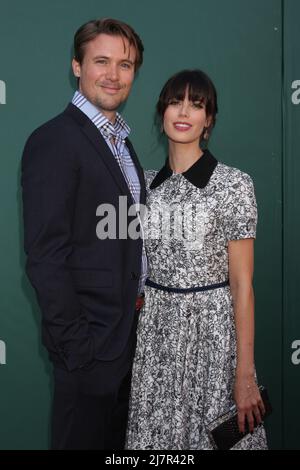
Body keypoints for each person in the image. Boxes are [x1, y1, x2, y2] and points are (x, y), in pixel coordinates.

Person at [126, 69, 268, 450]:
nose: (184, 111)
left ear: (209, 120)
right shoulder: (143, 185)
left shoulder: (234, 184)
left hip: (213, 338)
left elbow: (242, 286)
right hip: (157, 338)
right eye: (176, 101)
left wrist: (245, 372)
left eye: (197, 104)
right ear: (162, 113)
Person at [21, 18, 146, 450]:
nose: (113, 75)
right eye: (101, 61)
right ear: (77, 66)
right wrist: (79, 348)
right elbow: (45, 256)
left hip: (127, 345)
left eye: (125, 64)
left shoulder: (123, 145)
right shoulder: (55, 140)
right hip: (89, 352)